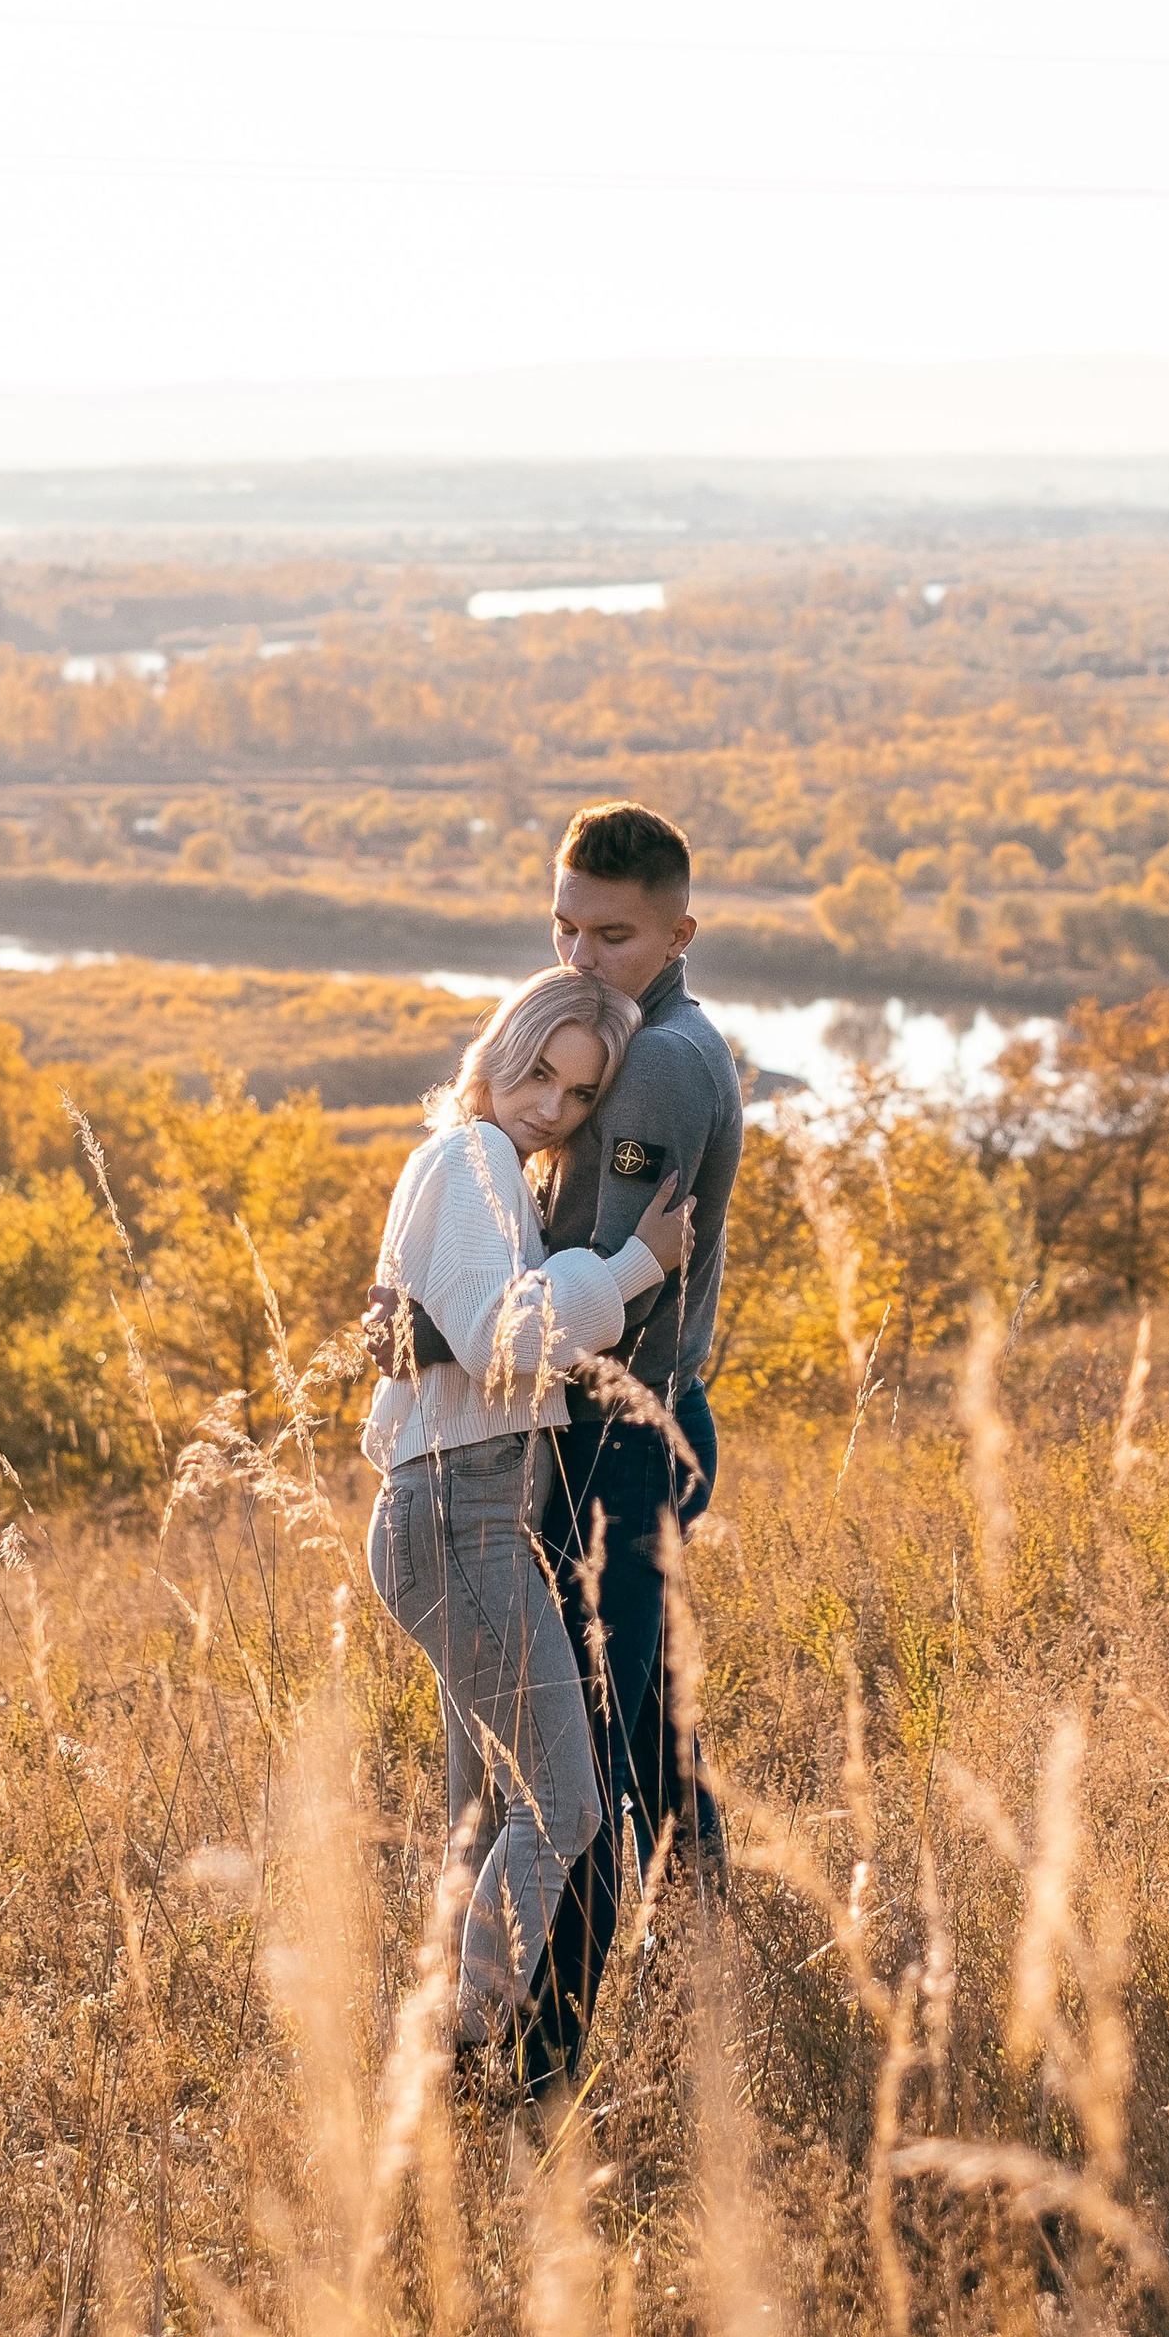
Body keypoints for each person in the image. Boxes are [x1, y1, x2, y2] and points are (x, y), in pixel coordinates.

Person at [362, 967, 697, 2082]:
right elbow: (507, 1340)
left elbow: (458, 1328)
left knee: (489, 1807)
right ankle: (464, 2035)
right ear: (498, 1049)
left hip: (456, 1515)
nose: (549, 1106)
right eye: (537, 1071)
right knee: (562, 1803)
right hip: (458, 1518)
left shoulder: (483, 1166)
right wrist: (635, 1266)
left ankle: (455, 2052)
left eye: (578, 1093)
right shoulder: (474, 1159)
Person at [528, 800, 745, 2075]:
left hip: (616, 1433)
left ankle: (548, 2040)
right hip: (646, 1420)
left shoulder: (660, 1060)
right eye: (563, 926)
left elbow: (601, 1283)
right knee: (647, 1720)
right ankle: (710, 1955)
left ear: (677, 936)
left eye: (611, 935)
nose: (578, 957)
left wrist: (437, 1323)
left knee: (586, 1742)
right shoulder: (630, 1038)